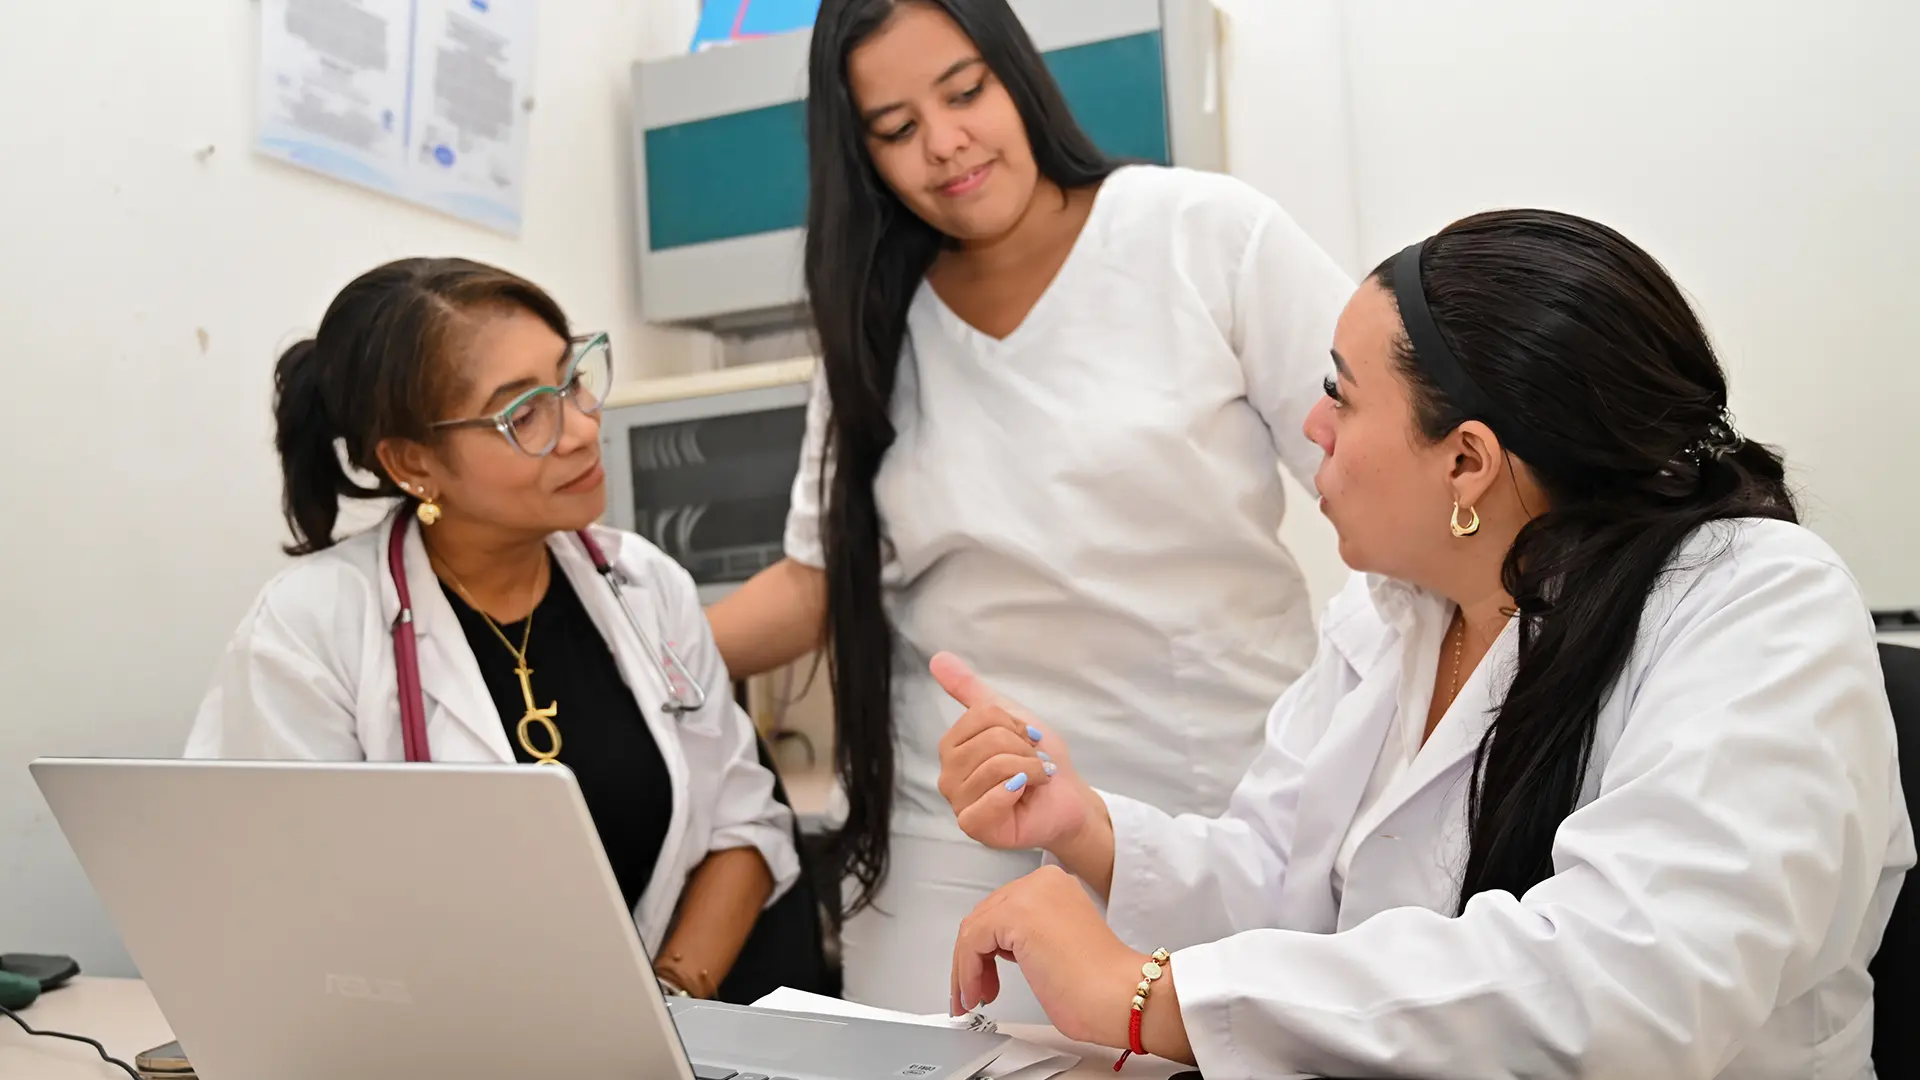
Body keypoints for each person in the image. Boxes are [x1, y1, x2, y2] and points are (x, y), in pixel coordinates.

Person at [934, 210, 1915, 1078]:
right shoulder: (1396, 612)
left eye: (1343, 396)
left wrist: (1154, 997)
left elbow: (1625, 991)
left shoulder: (1755, 605)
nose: (1311, 424)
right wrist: (1083, 825)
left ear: (1467, 460)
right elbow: (1283, 896)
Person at [704, 0, 1353, 1017]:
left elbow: (1379, 463)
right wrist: (630, 659)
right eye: (896, 128)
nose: (945, 143)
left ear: (1016, 75)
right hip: (955, 817)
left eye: (964, 93)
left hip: (1216, 804)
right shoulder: (877, 324)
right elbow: (815, 584)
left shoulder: (1201, 234)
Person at [186, 258, 821, 1004]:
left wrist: (668, 1005)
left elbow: (743, 825)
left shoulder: (646, 586)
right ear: (414, 462)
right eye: (523, 414)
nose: (583, 428)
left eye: (573, 378)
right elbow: (283, 916)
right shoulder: (310, 632)